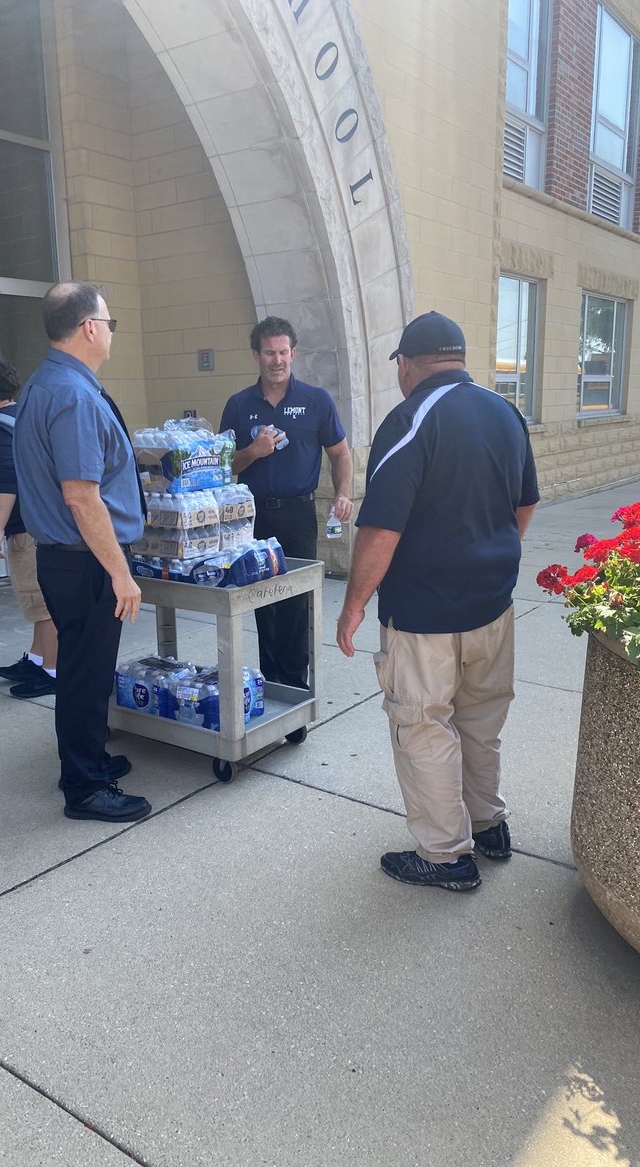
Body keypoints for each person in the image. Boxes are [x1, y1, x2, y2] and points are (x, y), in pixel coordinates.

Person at [336, 312, 539, 892]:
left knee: (422, 725)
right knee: (480, 719)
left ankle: (446, 856)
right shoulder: (505, 413)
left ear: (406, 363)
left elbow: (380, 531)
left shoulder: (408, 420)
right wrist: (491, 555)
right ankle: (488, 824)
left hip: (424, 616)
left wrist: (354, 606)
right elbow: (525, 504)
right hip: (493, 607)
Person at [13, 282, 150, 823]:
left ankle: (87, 760)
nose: (111, 332)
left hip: (68, 558)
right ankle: (85, 788)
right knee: (85, 675)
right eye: (109, 323)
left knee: (82, 669)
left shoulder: (46, 383)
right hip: (86, 559)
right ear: (90, 328)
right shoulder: (70, 394)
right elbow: (81, 494)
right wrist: (121, 573)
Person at [220, 316, 353, 688]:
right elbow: (225, 466)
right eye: (269, 353)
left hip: (298, 515)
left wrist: (343, 492)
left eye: (283, 352)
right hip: (253, 517)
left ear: (293, 353)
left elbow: (341, 455)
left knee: (296, 605)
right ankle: (270, 685)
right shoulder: (239, 404)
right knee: (263, 603)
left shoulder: (316, 401)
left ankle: (295, 691)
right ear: (256, 356)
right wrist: (254, 451)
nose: (276, 360)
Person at [0, 360, 59, 700]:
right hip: (43, 521)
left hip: (25, 527)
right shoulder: (23, 417)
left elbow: (7, 482)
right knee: (37, 600)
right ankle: (37, 659)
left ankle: (52, 671)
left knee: (43, 602)